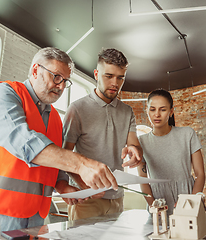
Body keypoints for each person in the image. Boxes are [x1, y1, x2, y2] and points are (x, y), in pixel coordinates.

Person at [0, 47, 118, 231]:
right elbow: (25, 143)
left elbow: (52, 162)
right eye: (56, 77)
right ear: (35, 70)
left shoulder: (56, 119)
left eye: (65, 81)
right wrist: (81, 165)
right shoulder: (3, 94)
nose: (61, 86)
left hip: (35, 216)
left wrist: (63, 185)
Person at [63, 48, 143, 220]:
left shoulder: (127, 111)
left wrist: (136, 151)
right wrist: (85, 185)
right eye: (109, 76)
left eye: (120, 77)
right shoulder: (77, 109)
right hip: (86, 199)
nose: (115, 83)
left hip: (117, 197)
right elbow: (65, 156)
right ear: (96, 74)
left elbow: (134, 143)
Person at [137, 89, 205, 216]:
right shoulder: (141, 142)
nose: (157, 114)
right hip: (158, 202)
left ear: (171, 112)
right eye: (152, 109)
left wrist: (190, 201)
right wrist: (153, 205)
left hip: (188, 198)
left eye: (162, 109)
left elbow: (200, 173)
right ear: (147, 111)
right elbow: (142, 179)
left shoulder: (187, 134)